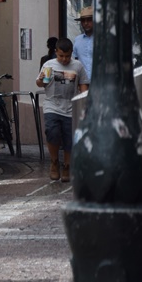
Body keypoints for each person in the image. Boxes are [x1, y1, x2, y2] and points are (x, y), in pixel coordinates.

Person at [37, 37, 88, 182]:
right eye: (61, 56)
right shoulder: (49, 65)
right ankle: (54, 162)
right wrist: (41, 79)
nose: (64, 59)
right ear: (56, 52)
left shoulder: (78, 66)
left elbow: (83, 85)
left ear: (72, 53)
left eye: (67, 56)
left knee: (69, 138)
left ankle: (67, 166)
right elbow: (41, 84)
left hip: (71, 107)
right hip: (52, 105)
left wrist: (84, 104)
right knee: (52, 132)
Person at [72, 5, 94, 82]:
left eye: (89, 20)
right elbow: (76, 62)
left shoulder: (102, 40)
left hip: (99, 82)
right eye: (83, 20)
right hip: (82, 83)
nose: (86, 23)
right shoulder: (77, 40)